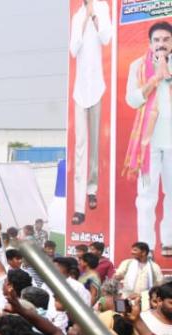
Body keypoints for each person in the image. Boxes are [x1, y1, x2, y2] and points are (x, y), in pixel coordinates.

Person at [126, 21, 172, 254]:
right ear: (150, 43)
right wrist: (154, 79)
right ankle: (145, 246)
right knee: (146, 195)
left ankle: (169, 242)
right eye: (157, 40)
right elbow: (133, 100)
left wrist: (167, 72)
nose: (161, 44)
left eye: (165, 39)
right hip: (147, 141)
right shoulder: (138, 66)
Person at [69, 3, 112, 225]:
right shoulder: (77, 16)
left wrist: (94, 15)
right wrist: (84, 18)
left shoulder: (103, 8)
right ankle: (79, 206)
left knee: (94, 144)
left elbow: (106, 37)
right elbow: (73, 49)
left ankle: (91, 188)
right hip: (80, 90)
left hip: (97, 86)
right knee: (80, 147)